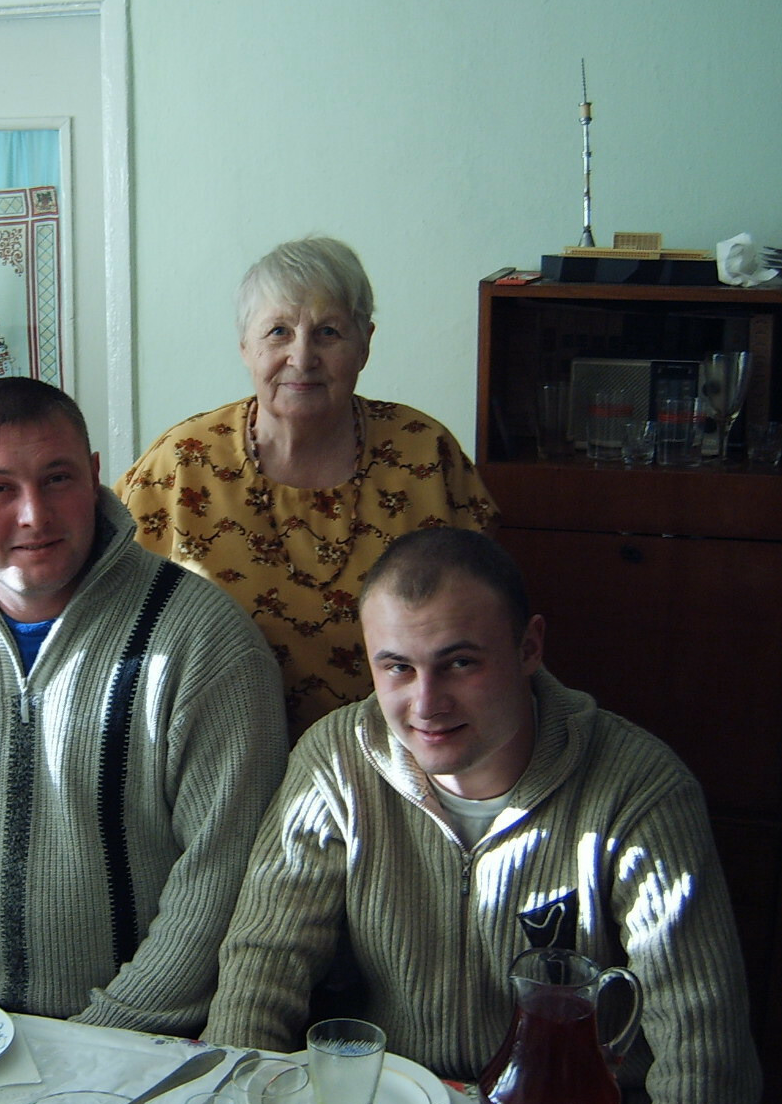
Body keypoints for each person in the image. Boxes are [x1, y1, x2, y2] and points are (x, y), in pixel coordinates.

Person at [203, 528, 761, 1104]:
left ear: (529, 647)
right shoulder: (335, 762)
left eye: (460, 663)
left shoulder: (639, 788)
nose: (426, 704)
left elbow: (701, 1046)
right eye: (397, 667)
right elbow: (263, 966)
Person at [0, 377, 287, 1036]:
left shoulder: (204, 642)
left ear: (95, 477)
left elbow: (222, 874)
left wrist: (104, 1038)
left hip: (139, 1049)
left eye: (57, 479)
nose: (34, 515)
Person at [115, 237, 500, 737]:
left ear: (364, 344)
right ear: (245, 346)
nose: (303, 356)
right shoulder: (183, 462)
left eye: (328, 332)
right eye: (279, 331)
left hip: (402, 744)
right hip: (219, 746)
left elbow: (489, 617)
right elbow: (110, 602)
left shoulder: (424, 451)